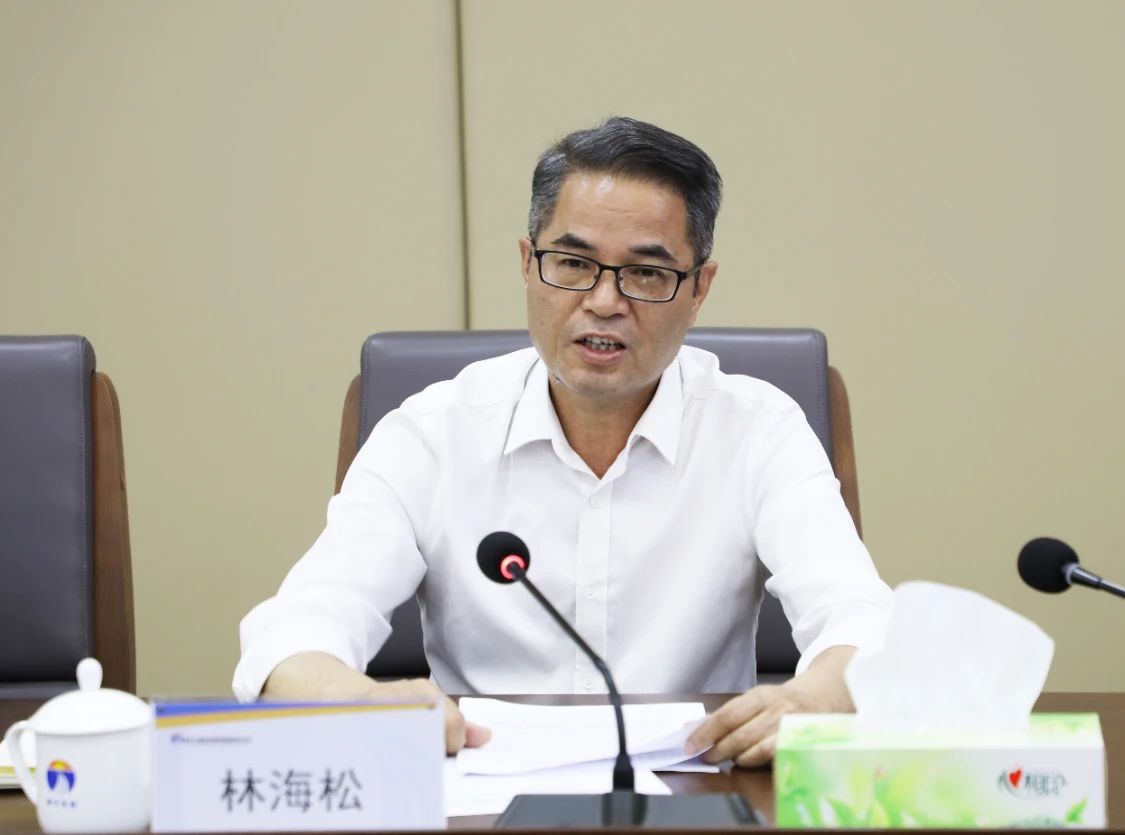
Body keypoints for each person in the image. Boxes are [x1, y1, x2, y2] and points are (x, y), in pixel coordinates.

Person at [233, 116, 892, 767]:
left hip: (696, 788)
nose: (604, 301)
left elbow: (862, 620)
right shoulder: (433, 432)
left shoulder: (758, 430)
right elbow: (293, 631)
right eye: (573, 264)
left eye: (646, 273)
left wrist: (814, 699)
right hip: (479, 791)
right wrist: (357, 700)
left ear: (698, 290)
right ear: (527, 264)